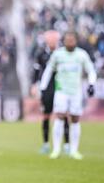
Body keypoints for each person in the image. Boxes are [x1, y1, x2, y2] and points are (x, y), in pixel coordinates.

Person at [40, 31, 97, 160]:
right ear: (64, 41)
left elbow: (91, 70)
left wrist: (91, 84)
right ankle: (56, 150)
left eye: (72, 40)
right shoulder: (58, 55)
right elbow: (48, 70)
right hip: (61, 90)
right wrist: (43, 87)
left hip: (76, 91)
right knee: (59, 117)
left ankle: (74, 150)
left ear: (76, 41)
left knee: (75, 119)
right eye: (67, 40)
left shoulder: (81, 55)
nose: (70, 42)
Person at [32, 30, 69, 155]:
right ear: (47, 40)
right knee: (46, 115)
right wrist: (34, 84)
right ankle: (46, 144)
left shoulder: (63, 53)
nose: (52, 41)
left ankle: (67, 144)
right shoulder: (41, 53)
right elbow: (36, 71)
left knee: (63, 114)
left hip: (60, 86)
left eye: (54, 39)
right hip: (47, 87)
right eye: (50, 39)